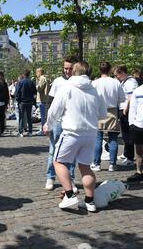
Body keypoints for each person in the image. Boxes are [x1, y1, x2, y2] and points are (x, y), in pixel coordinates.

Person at [44, 61, 107, 212]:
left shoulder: (67, 87)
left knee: (58, 161)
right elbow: (102, 113)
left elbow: (54, 110)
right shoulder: (95, 89)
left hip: (72, 132)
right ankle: (90, 201)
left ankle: (69, 194)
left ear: (74, 72)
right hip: (90, 133)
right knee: (85, 167)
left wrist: (49, 124)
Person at [45, 56, 79, 191]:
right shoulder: (58, 81)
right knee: (53, 149)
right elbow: (50, 103)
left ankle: (70, 179)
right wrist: (47, 123)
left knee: (72, 151)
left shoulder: (79, 82)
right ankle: (50, 177)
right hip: (58, 122)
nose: (68, 71)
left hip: (73, 121)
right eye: (66, 68)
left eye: (70, 68)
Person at [90, 62, 126, 172]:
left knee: (98, 138)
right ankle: (112, 164)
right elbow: (121, 99)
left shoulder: (94, 83)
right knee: (113, 138)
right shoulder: (116, 83)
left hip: (98, 111)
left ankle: (96, 164)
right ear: (110, 70)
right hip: (112, 111)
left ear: (99, 70)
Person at [114, 65, 139, 166]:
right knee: (124, 134)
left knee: (128, 134)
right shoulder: (125, 82)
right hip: (122, 108)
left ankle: (130, 158)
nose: (116, 77)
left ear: (122, 73)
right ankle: (126, 153)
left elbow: (130, 96)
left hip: (126, 110)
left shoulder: (131, 82)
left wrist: (126, 108)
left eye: (117, 75)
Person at [15, 70, 36, 137]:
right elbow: (34, 92)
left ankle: (21, 132)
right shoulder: (31, 82)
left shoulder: (20, 82)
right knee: (29, 117)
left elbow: (17, 92)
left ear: (23, 74)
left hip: (22, 102)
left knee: (21, 117)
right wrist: (33, 100)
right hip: (29, 101)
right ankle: (30, 132)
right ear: (29, 74)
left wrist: (18, 100)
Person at [35, 68, 50, 135]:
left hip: (41, 99)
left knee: (43, 117)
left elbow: (39, 88)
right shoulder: (47, 78)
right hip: (45, 99)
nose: (36, 74)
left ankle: (43, 130)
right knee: (44, 116)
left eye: (36, 72)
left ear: (39, 72)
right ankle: (43, 129)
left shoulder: (42, 78)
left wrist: (35, 85)